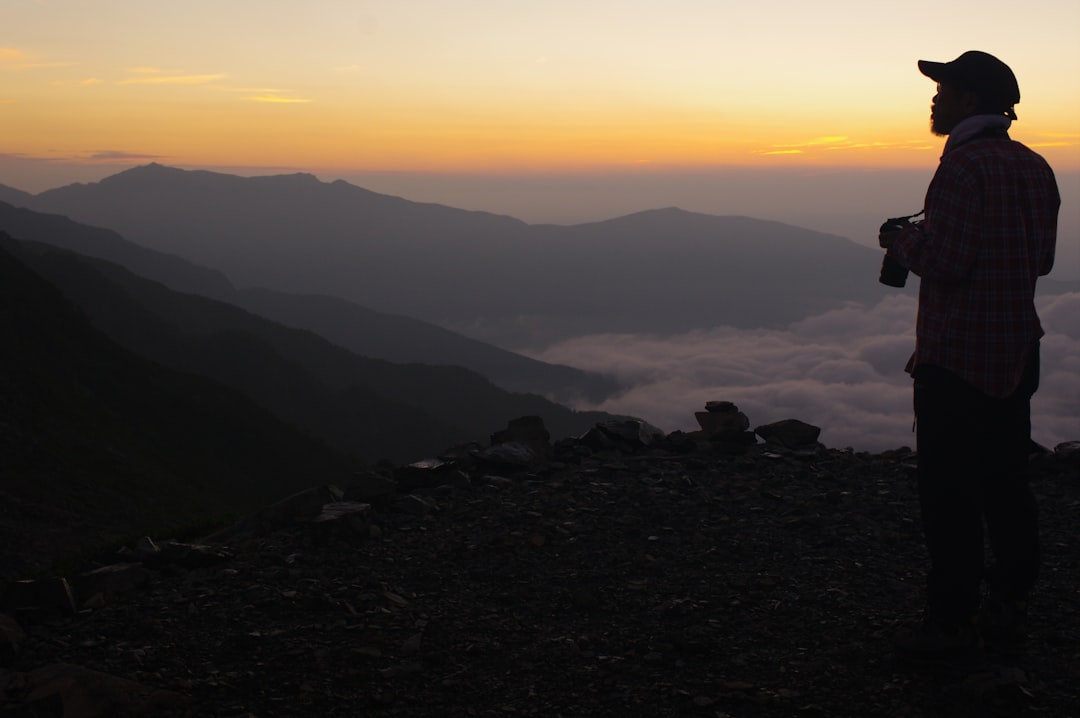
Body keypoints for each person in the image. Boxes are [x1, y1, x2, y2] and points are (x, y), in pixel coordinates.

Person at [878, 51, 1059, 667]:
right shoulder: (1036, 166)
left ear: (970, 101)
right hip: (1017, 349)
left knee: (949, 493)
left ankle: (949, 622)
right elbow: (1042, 262)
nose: (935, 99)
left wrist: (900, 241)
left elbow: (949, 265)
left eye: (945, 90)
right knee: (1007, 483)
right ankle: (1010, 604)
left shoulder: (959, 169)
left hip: (957, 358)